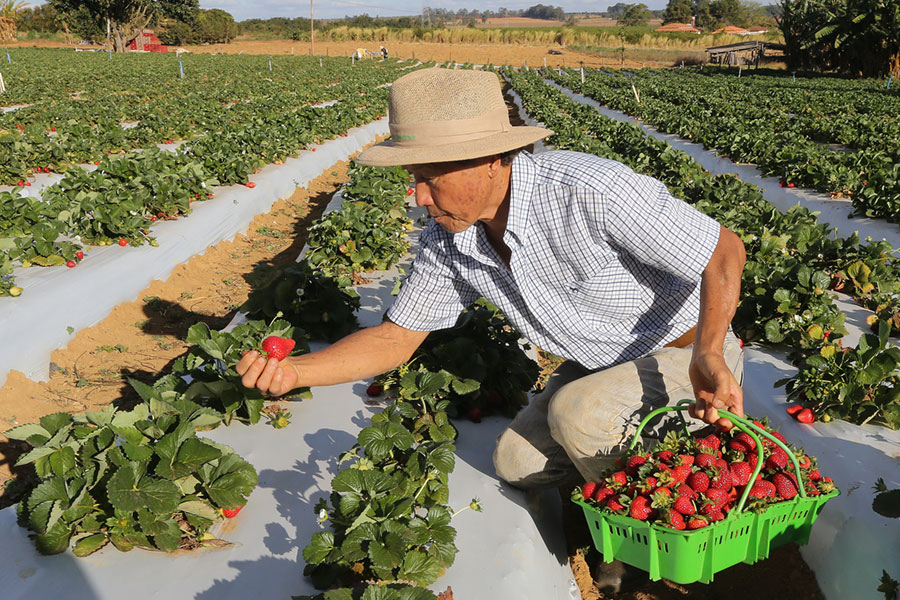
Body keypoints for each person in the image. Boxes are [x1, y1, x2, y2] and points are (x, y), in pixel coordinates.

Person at [237, 67, 745, 493]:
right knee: (516, 463)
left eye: (431, 178)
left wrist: (709, 352)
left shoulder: (588, 190)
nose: (418, 197)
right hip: (600, 366)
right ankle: (611, 484)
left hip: (684, 355)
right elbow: (395, 339)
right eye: (413, 177)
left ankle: (660, 529)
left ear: (493, 160)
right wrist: (295, 373)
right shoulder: (450, 239)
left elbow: (724, 251)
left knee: (578, 413)